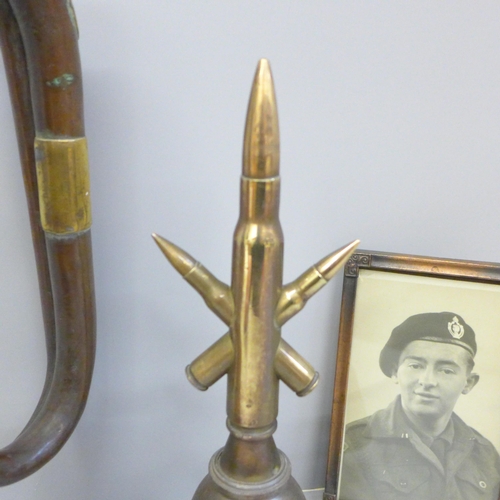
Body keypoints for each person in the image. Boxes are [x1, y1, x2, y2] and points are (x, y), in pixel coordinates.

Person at [339, 311, 500, 500]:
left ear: (468, 382)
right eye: (416, 366)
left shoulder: (484, 452)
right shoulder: (356, 444)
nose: (428, 381)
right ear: (395, 372)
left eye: (446, 370)